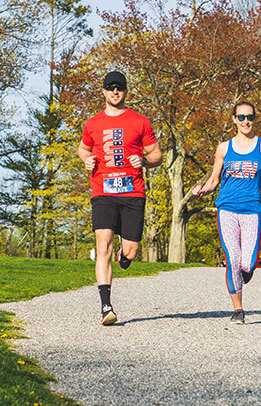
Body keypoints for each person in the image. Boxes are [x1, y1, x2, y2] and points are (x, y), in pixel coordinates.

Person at [77, 71, 162, 326]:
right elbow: (83, 147)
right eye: (110, 88)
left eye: (119, 88)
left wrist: (145, 161)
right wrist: (86, 159)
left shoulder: (140, 122)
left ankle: (125, 258)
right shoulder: (92, 123)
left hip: (132, 192)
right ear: (103, 91)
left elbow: (157, 154)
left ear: (125, 92)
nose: (115, 92)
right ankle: (106, 306)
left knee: (130, 250)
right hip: (102, 190)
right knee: (103, 244)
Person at [191, 101, 261, 324]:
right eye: (241, 117)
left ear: (254, 119)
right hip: (227, 208)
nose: (245, 121)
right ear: (234, 120)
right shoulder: (223, 148)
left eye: (249, 117)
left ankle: (244, 273)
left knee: (247, 264)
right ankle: (238, 309)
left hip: (252, 209)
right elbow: (214, 179)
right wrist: (203, 191)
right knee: (233, 260)